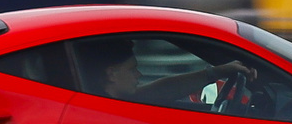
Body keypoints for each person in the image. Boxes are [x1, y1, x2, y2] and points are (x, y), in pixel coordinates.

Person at [78, 40, 257, 107]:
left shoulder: (115, 103)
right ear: (111, 74)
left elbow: (162, 90)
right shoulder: (102, 113)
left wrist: (217, 72)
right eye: (132, 69)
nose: (139, 75)